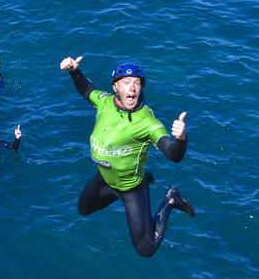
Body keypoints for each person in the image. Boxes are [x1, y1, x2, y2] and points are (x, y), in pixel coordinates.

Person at [60, 56, 194, 258]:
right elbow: (87, 90)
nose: (131, 88)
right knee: (84, 209)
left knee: (145, 249)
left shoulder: (148, 122)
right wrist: (74, 72)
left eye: (137, 83)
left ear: (141, 88)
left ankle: (171, 200)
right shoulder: (105, 102)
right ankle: (131, 184)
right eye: (126, 82)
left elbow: (172, 153)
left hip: (131, 188)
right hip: (104, 178)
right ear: (115, 87)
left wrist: (181, 140)